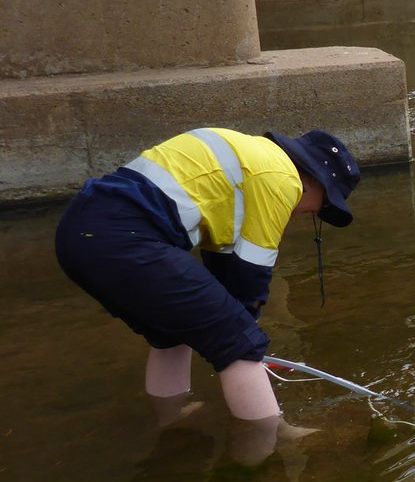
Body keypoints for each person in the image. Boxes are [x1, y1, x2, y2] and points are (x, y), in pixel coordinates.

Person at [55, 126, 360, 424]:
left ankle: (172, 422)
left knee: (171, 334)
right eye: (322, 205)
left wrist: (249, 335)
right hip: (127, 238)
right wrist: (250, 342)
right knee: (238, 343)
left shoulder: (250, 157)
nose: (310, 214)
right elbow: (252, 271)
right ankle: (270, 443)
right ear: (312, 181)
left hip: (81, 234)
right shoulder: (282, 178)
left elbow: (223, 269)